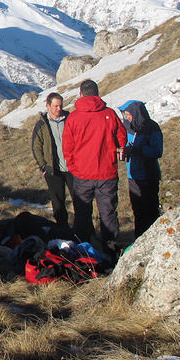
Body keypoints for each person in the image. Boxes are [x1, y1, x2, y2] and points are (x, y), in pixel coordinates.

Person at [62, 79, 128, 254]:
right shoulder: (109, 114)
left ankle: (83, 250)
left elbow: (67, 146)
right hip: (107, 172)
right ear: (97, 93)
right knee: (108, 212)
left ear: (81, 94)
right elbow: (122, 138)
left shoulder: (74, 117)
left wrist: (74, 167)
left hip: (83, 174)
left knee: (82, 213)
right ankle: (111, 250)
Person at [120, 100, 163, 239]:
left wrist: (136, 150)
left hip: (148, 175)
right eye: (126, 115)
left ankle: (154, 239)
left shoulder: (152, 127)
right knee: (137, 211)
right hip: (133, 175)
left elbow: (157, 151)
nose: (128, 118)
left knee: (150, 210)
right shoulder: (129, 128)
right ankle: (139, 240)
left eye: (129, 115)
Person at [31, 92, 74, 226]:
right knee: (58, 202)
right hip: (53, 170)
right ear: (48, 105)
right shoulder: (42, 124)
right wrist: (44, 167)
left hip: (73, 168)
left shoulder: (70, 119)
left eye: (60, 106)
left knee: (79, 200)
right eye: (55, 106)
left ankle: (83, 231)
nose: (59, 109)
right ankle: (63, 229)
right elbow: (36, 147)